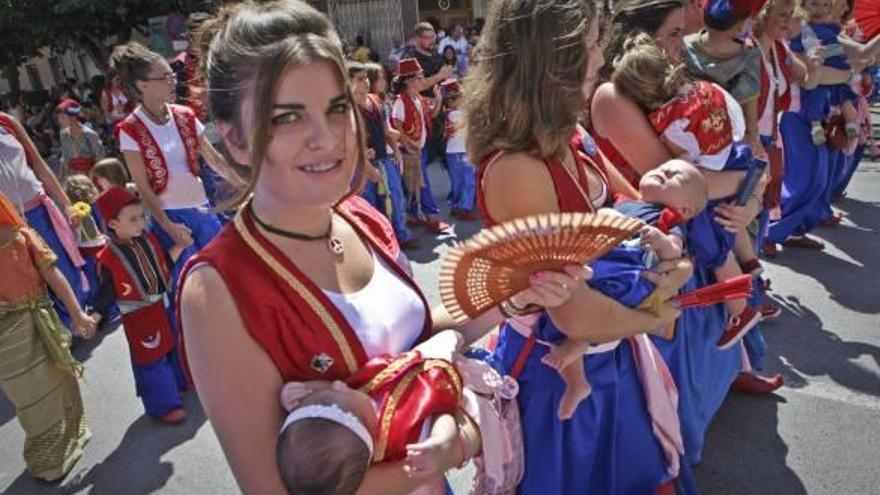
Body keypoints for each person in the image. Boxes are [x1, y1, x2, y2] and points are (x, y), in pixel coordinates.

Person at [178, 2, 586, 493]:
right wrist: (459, 443)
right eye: (287, 118)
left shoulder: (359, 214)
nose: (326, 138)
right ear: (235, 140)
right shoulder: (219, 289)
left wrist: (516, 295)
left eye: (336, 108)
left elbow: (410, 340)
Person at [464, 0, 693, 491]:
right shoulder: (517, 170)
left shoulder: (573, 135)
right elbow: (575, 314)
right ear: (556, 57)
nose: (600, 60)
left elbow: (641, 216)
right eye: (591, 45)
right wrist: (657, 315)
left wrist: (672, 259)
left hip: (611, 356)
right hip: (554, 377)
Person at [612, 35, 766, 348]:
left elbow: (683, 168)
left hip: (709, 179)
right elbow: (736, 123)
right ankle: (751, 262)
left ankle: (741, 310)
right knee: (732, 219)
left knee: (714, 248)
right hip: (735, 157)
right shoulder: (704, 89)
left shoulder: (671, 124)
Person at [277, 331, 472, 495]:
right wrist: (441, 441)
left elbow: (330, 398)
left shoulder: (351, 412)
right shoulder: (402, 434)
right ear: (362, 426)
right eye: (344, 391)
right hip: (433, 383)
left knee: (449, 338)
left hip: (414, 364)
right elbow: (441, 414)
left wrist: (298, 392)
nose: (339, 384)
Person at [110, 42, 244, 271]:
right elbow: (143, 187)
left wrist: (244, 186)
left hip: (203, 209)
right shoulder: (130, 129)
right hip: (171, 216)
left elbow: (213, 160)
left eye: (173, 74)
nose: (174, 80)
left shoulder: (185, 115)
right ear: (143, 85)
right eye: (165, 77)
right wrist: (168, 226)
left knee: (227, 272)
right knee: (191, 282)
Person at [0, 191, 96, 482]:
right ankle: (46, 462)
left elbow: (54, 275)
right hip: (7, 340)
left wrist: (78, 314)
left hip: (44, 321)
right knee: (29, 395)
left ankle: (71, 438)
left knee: (58, 379)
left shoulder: (24, 236)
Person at [91, 186, 191, 423]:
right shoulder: (108, 259)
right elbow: (105, 294)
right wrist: (94, 316)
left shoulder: (148, 238)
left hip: (163, 305)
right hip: (140, 317)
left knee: (172, 345)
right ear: (113, 223)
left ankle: (177, 384)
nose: (141, 223)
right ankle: (164, 405)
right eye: (133, 219)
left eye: (142, 216)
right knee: (151, 358)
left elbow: (163, 263)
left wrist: (179, 247)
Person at [0, 111, 89, 328]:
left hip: (37, 211)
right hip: (5, 224)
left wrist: (67, 205)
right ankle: (59, 334)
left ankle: (77, 322)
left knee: (63, 269)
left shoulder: (7, 121)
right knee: (30, 284)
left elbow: (40, 166)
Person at [355, 62, 419, 249]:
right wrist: (364, 160)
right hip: (363, 164)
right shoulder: (348, 108)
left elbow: (385, 129)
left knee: (395, 197)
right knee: (369, 204)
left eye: (366, 77)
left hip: (384, 158)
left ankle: (401, 235)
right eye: (359, 79)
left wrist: (397, 148)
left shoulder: (376, 101)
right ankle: (377, 244)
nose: (365, 82)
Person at [391, 58, 449, 233]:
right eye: (420, 76)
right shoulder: (401, 101)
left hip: (420, 149)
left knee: (415, 185)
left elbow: (431, 115)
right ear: (409, 80)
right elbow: (396, 126)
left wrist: (438, 99)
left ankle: (414, 216)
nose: (423, 79)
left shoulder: (419, 98)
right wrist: (409, 144)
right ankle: (430, 217)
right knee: (421, 185)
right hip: (410, 152)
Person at [793, 0, 860, 146]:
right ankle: (815, 125)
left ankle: (850, 121)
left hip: (836, 71)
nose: (820, 10)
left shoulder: (833, 28)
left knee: (844, 97)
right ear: (801, 6)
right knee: (816, 95)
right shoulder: (799, 30)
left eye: (825, 5)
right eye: (814, 4)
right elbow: (806, 64)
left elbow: (849, 47)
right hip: (816, 78)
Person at [441, 79, 477, 221]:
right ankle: (459, 205)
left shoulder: (461, 113)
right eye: (453, 98)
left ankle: (464, 207)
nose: (456, 101)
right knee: (460, 181)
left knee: (466, 181)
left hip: (462, 150)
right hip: (456, 151)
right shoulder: (453, 114)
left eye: (458, 97)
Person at [56, 98, 105, 177]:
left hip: (90, 175)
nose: (60, 121)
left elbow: (99, 158)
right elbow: (65, 158)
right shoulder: (63, 134)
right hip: (72, 177)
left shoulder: (90, 135)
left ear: (73, 117)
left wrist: (91, 177)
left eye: (62, 117)